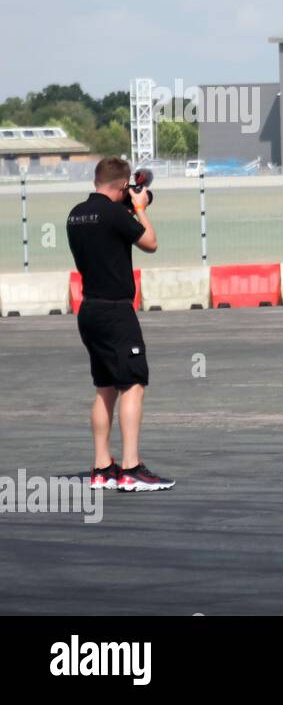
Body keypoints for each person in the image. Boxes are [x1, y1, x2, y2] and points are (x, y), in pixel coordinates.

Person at [66, 157, 174, 491]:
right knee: (133, 383)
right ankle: (130, 467)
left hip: (89, 309)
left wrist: (127, 204)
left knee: (105, 388)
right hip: (116, 312)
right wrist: (140, 207)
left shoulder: (76, 214)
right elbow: (150, 243)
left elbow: (107, 237)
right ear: (123, 185)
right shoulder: (115, 214)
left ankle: (102, 467)